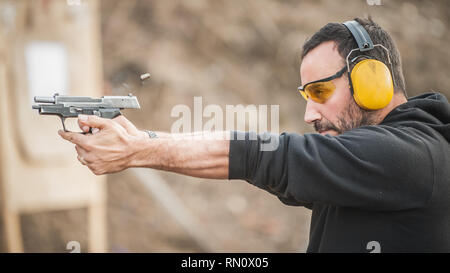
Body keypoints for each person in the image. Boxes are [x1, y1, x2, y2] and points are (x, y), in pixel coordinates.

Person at [59, 17, 450, 252]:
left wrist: (138, 150)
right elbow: (276, 164)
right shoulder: (368, 168)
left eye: (320, 92)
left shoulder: (415, 157)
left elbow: (268, 157)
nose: (309, 113)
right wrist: (139, 138)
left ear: (373, 80)